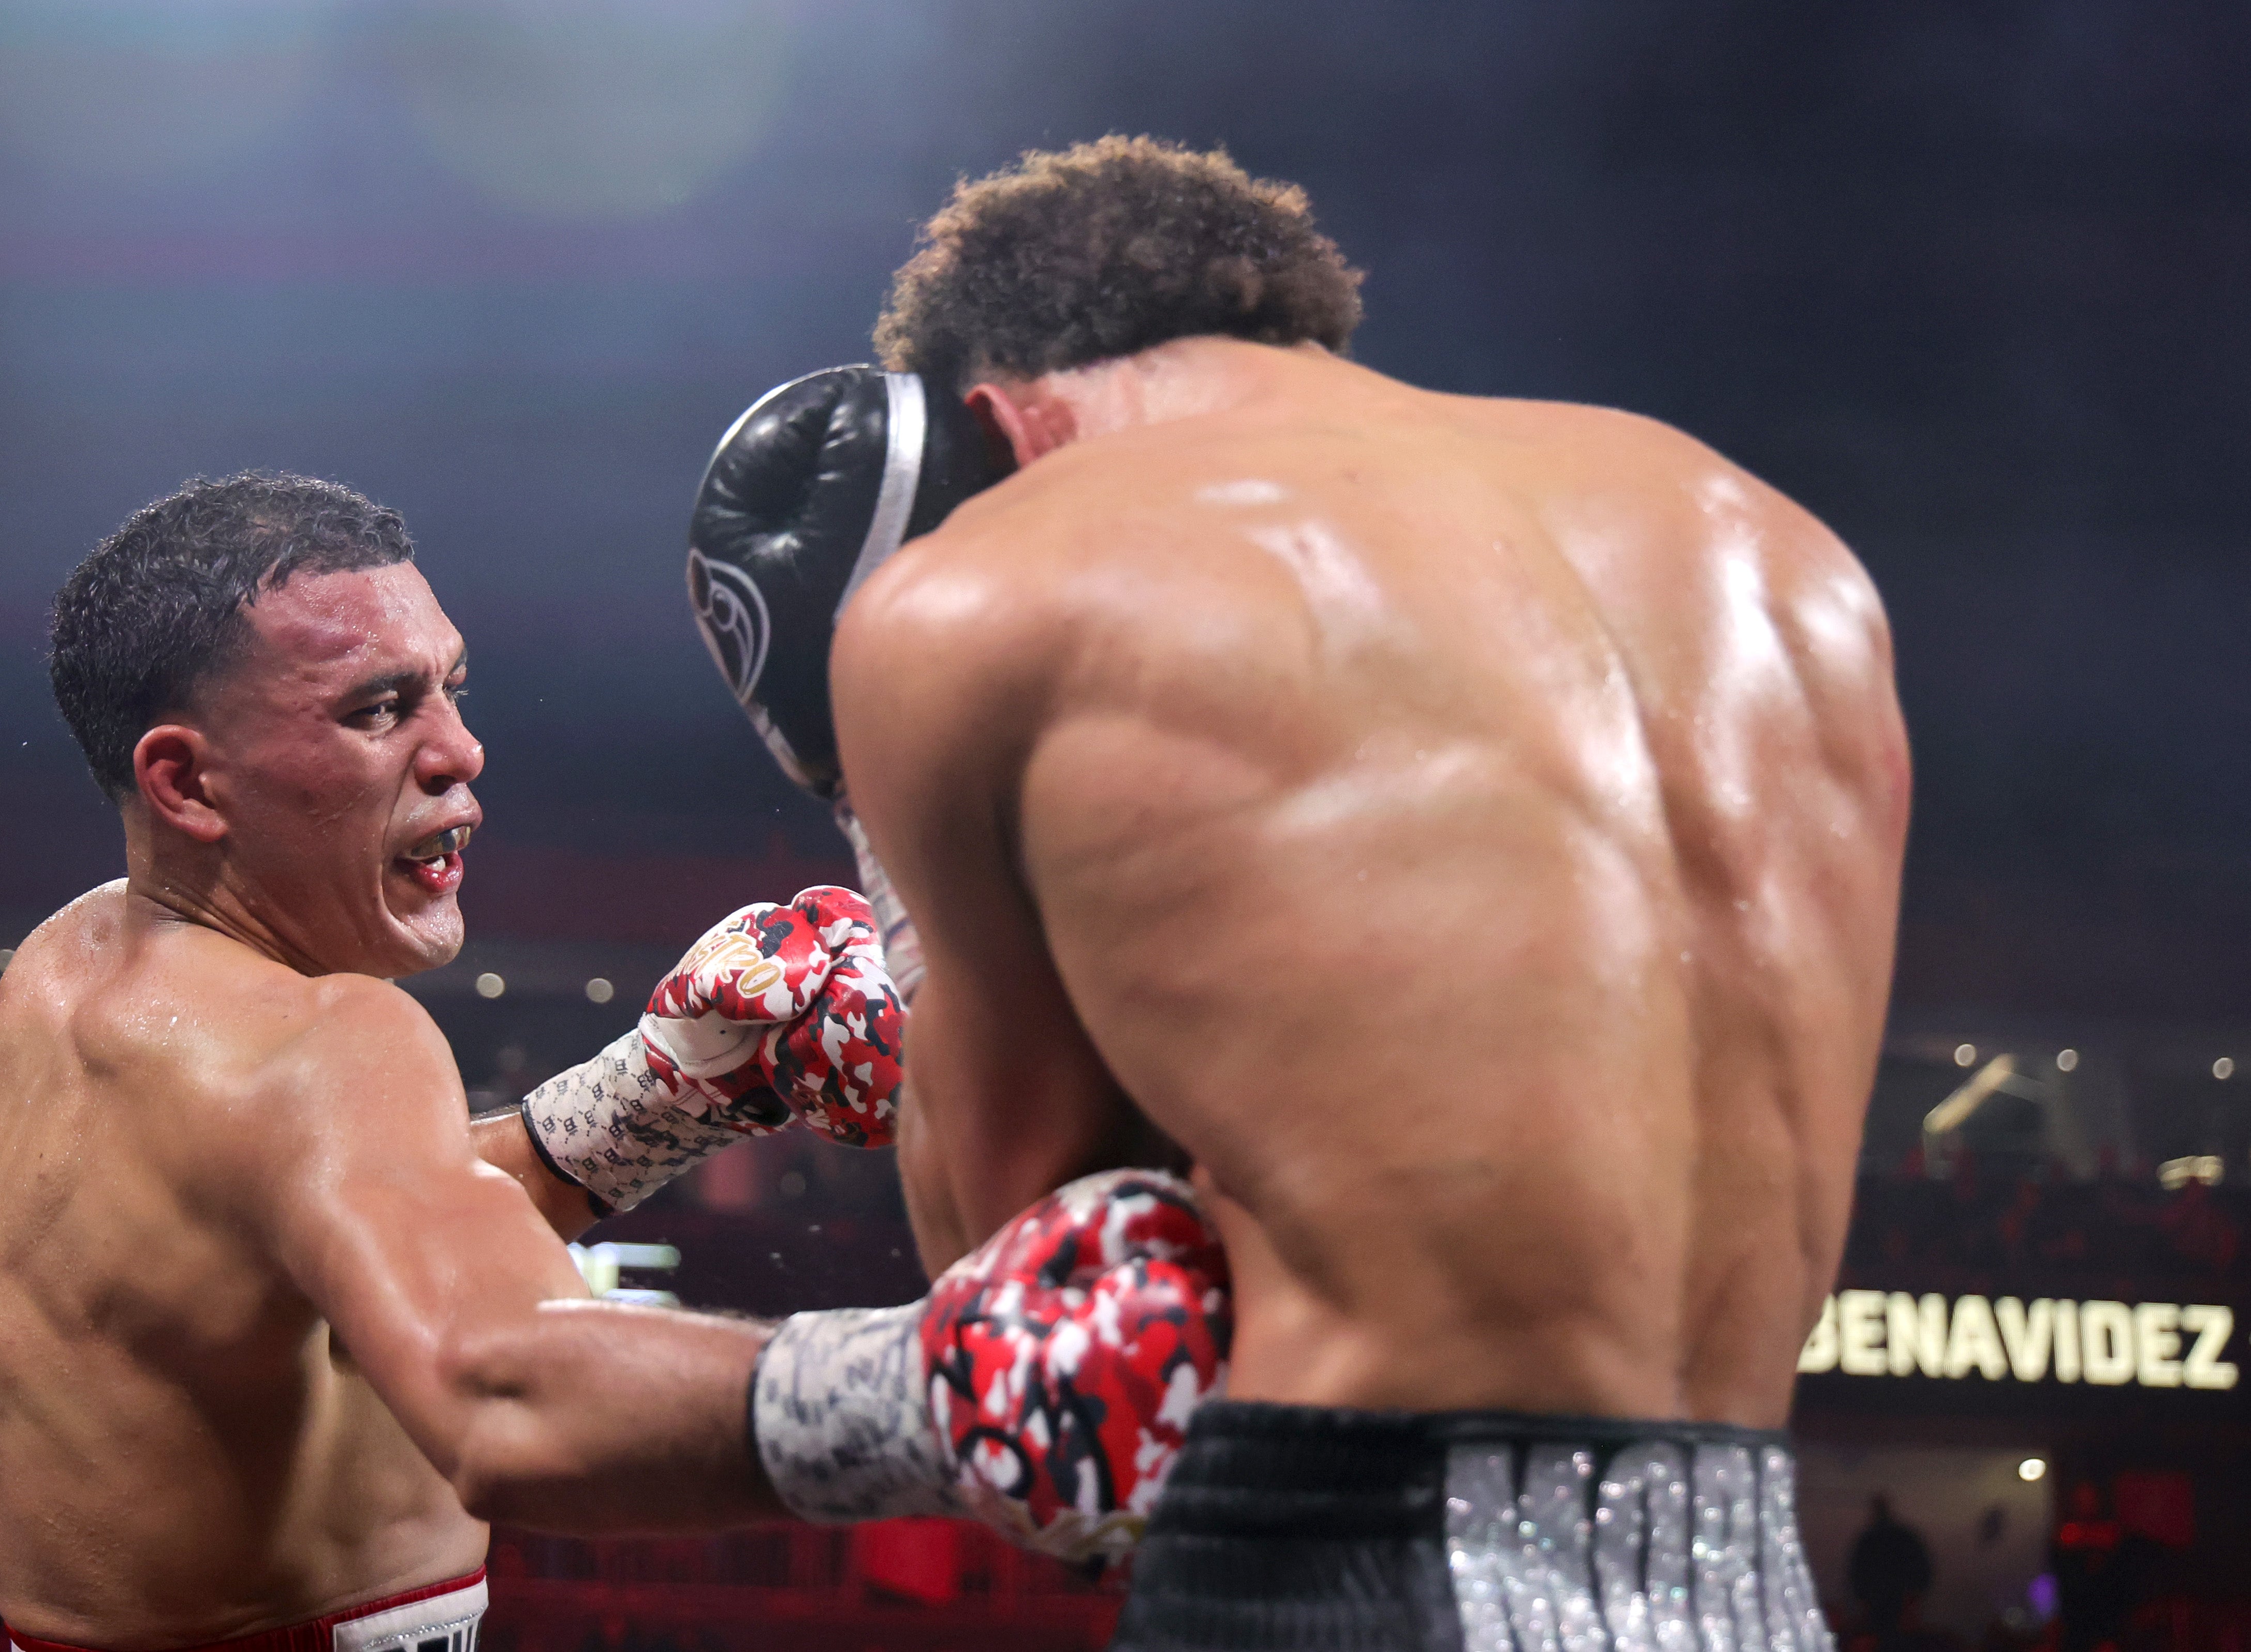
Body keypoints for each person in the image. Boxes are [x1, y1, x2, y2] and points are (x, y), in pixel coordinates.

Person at [686, 136, 1911, 1648]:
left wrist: (872, 817)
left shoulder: (993, 580)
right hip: (1739, 1570)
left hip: (1334, 1559)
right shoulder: (1778, 554)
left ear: (991, 422)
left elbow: (1024, 1276)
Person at [0, 472, 934, 1652]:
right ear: (185, 778)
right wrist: (948, 1389)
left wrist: (655, 1095)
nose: (461, 748)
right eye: (378, 708)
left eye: (451, 689)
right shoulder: (329, 1039)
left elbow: (316, 1220)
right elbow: (512, 1399)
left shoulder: (62, 972)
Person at [1846, 1493, 1935, 1644]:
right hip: (1898, 1602)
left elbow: (1857, 1574)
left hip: (1888, 1603)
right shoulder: (1904, 1536)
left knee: (1885, 1640)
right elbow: (1922, 1571)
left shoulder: (1869, 1540)